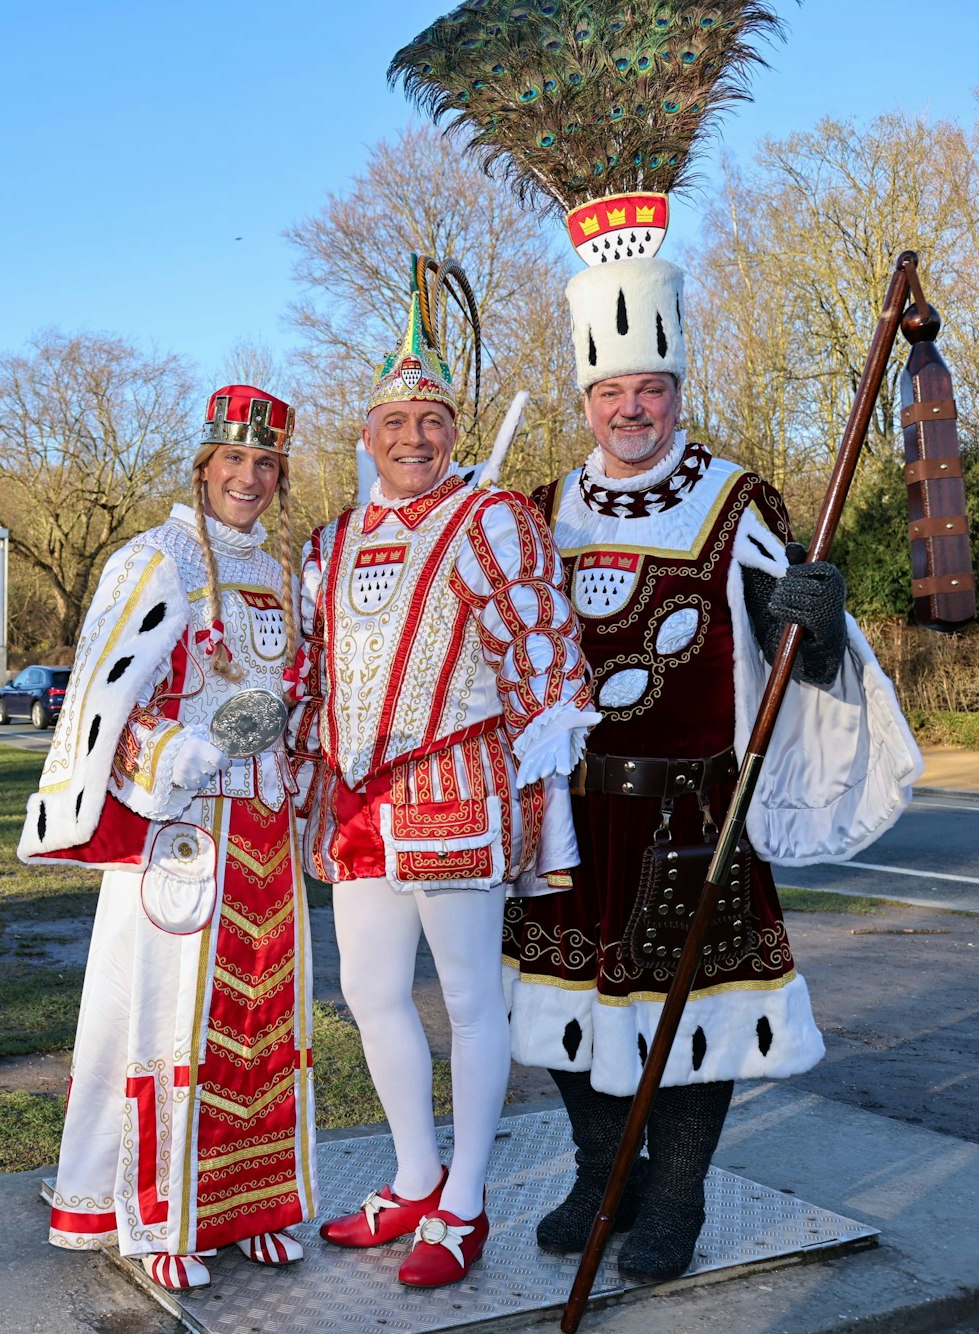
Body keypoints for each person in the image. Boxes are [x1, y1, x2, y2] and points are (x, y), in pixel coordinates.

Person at [490, 203, 924, 1286]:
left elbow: (801, 658)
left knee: (695, 1014)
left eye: (650, 390)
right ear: (586, 399)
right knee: (566, 1007)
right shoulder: (538, 509)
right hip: (571, 807)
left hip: (695, 810)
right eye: (611, 393)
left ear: (676, 392)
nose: (631, 409)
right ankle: (605, 1178)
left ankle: (675, 1196)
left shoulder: (735, 497)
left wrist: (815, 619)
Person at [288, 259, 597, 1288]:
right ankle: (414, 1173)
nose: (414, 440)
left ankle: (465, 1201)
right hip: (358, 797)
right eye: (395, 424)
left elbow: (537, 630)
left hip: (455, 785)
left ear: (454, 433)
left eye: (433, 424)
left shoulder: (493, 516)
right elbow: (308, 666)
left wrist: (551, 730)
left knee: (467, 995)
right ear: (366, 433)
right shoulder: (327, 542)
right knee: (369, 989)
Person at [18, 385, 316, 1292]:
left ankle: (250, 1205)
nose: (250, 478)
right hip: (181, 830)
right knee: (169, 1023)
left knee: (264, 1024)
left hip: (265, 830)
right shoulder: (153, 558)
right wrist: (167, 748)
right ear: (204, 465)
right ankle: (161, 1214)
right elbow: (101, 696)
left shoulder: (280, 571)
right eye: (235, 461)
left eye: (266, 464)